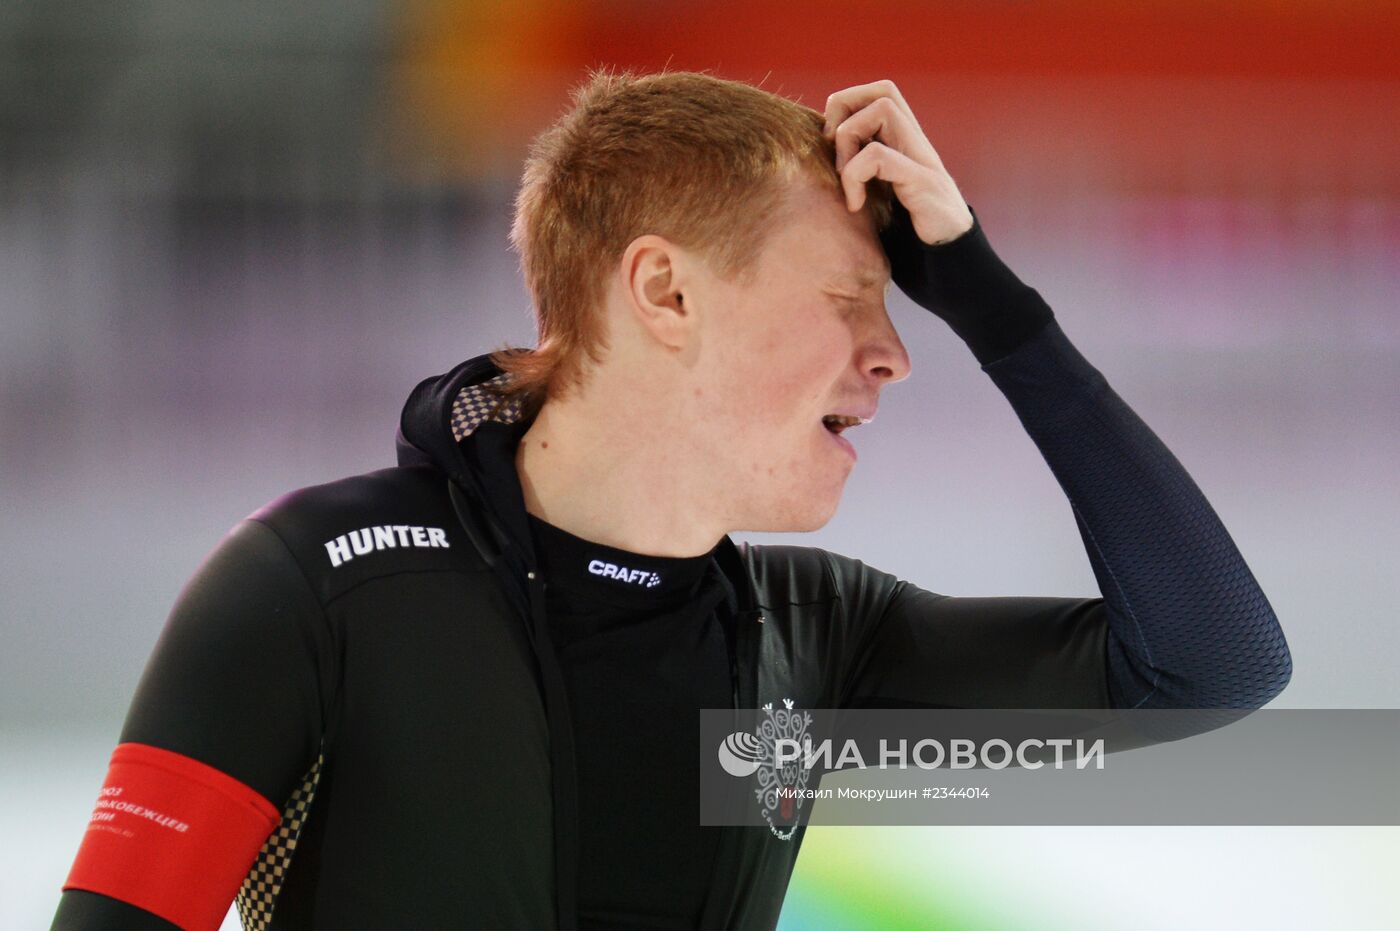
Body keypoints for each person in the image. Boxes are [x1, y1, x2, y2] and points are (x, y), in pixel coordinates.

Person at [51, 69, 1292, 931]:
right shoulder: (318, 584)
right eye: (848, 297)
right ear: (666, 294)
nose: (894, 353)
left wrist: (992, 305)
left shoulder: (815, 643)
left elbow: (1210, 667)